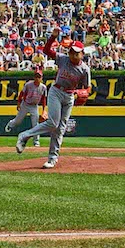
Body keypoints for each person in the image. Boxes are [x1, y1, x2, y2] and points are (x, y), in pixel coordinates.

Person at [16, 28, 91, 168]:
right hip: (56, 91)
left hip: (69, 96)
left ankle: (52, 158)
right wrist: (52, 38)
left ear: (82, 54)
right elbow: (46, 51)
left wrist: (82, 92)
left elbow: (88, 87)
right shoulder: (63, 59)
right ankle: (25, 135)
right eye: (72, 52)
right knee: (53, 123)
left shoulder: (85, 69)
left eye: (76, 52)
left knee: (60, 128)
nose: (73, 55)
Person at [5, 69, 45, 147]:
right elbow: (22, 94)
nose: (37, 78)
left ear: (41, 78)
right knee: (18, 121)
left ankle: (36, 141)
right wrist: (19, 103)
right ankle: (11, 124)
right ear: (34, 77)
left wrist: (44, 110)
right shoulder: (28, 85)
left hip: (34, 106)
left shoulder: (43, 87)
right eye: (36, 76)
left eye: (39, 77)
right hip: (25, 104)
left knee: (35, 124)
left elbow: (43, 99)